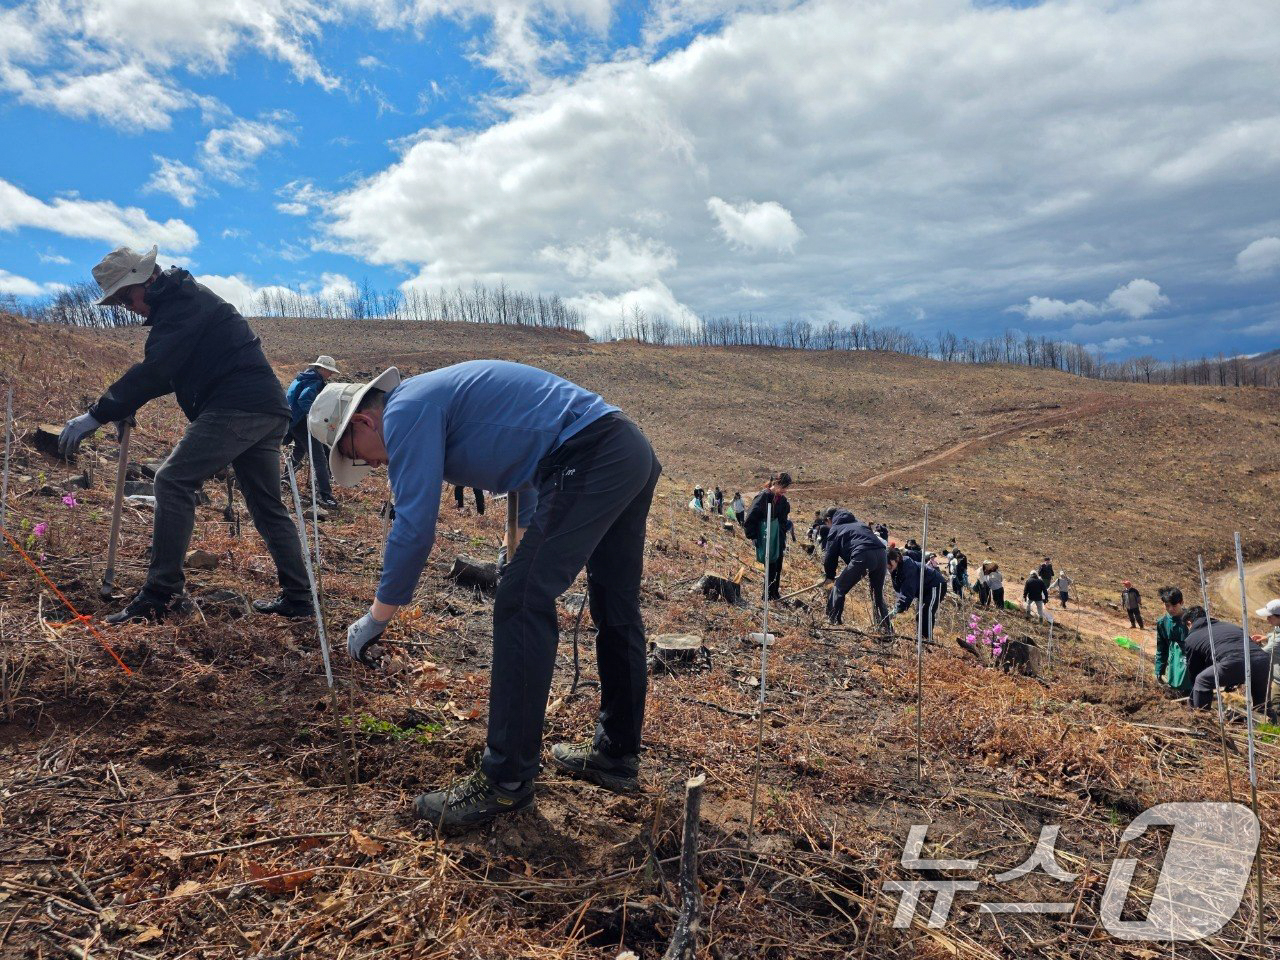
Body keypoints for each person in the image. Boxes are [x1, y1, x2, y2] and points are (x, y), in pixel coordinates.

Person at [315, 360, 661, 831]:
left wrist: (377, 616)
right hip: (625, 448)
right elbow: (530, 458)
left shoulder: (405, 410)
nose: (370, 465)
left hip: (591, 453)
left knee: (520, 600)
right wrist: (514, 542)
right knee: (614, 605)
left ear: (362, 421)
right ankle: (616, 754)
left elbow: (414, 526)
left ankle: (506, 780)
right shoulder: (432, 397)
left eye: (355, 454)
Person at [58, 245, 312, 624]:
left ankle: (162, 595)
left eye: (126, 297)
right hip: (265, 409)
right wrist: (126, 404)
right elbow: (168, 368)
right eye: (120, 303)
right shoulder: (181, 300)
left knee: (173, 480)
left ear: (145, 280)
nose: (128, 307)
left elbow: (157, 369)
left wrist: (98, 413)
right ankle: (300, 598)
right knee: (266, 507)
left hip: (237, 406)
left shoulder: (183, 304)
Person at [1181, 607, 1272, 710]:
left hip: (1234, 661)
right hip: (1263, 660)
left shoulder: (1191, 639)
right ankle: (1270, 724)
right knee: (1263, 706)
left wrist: (1195, 693)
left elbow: (1195, 671)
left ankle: (1201, 719)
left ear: (1189, 623)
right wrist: (1230, 679)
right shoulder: (1230, 626)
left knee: (1201, 681)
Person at [284, 356, 340, 510]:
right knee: (319, 456)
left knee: (300, 449)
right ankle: (324, 495)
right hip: (302, 421)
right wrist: (316, 416)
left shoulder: (302, 377)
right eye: (329, 371)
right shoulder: (314, 381)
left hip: (292, 420)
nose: (330, 374)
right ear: (321, 369)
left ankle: (286, 479)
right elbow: (303, 400)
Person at [821, 508, 889, 628]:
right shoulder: (859, 524)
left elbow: (830, 557)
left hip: (863, 555)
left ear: (829, 519)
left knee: (839, 588)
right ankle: (885, 628)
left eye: (826, 523)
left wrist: (830, 577)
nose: (827, 526)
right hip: (882, 554)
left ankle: (832, 623)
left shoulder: (836, 529)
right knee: (876, 594)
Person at [744, 474, 792, 601]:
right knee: (770, 566)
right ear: (775, 483)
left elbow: (783, 521)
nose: (784, 490)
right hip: (766, 536)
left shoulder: (782, 500)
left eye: (786, 488)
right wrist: (753, 536)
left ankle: (775, 593)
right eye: (782, 487)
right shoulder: (764, 497)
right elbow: (751, 517)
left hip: (778, 538)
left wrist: (782, 537)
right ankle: (767, 596)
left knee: (778, 566)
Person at [887, 546, 947, 641]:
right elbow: (899, 589)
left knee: (926, 612)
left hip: (935, 585)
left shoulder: (908, 567)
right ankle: (921, 639)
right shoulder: (895, 570)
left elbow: (908, 590)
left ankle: (928, 641)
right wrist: (897, 605)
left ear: (897, 559)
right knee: (920, 615)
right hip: (923, 589)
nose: (887, 566)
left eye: (889, 563)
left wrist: (899, 608)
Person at [1154, 587, 1191, 695]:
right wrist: (1159, 670)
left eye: (1174, 606)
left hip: (1191, 663)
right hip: (1174, 665)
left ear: (1182, 603)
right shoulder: (1162, 623)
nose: (1170, 609)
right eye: (1167, 606)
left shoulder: (1192, 620)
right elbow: (1162, 648)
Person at [1254, 599, 1280, 690]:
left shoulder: (1277, 641)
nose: (1267, 619)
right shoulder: (1278, 626)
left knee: (1275, 703)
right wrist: (1266, 637)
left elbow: (1260, 653)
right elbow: (1276, 633)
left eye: (1269, 616)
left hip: (1279, 681)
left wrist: (1253, 645)